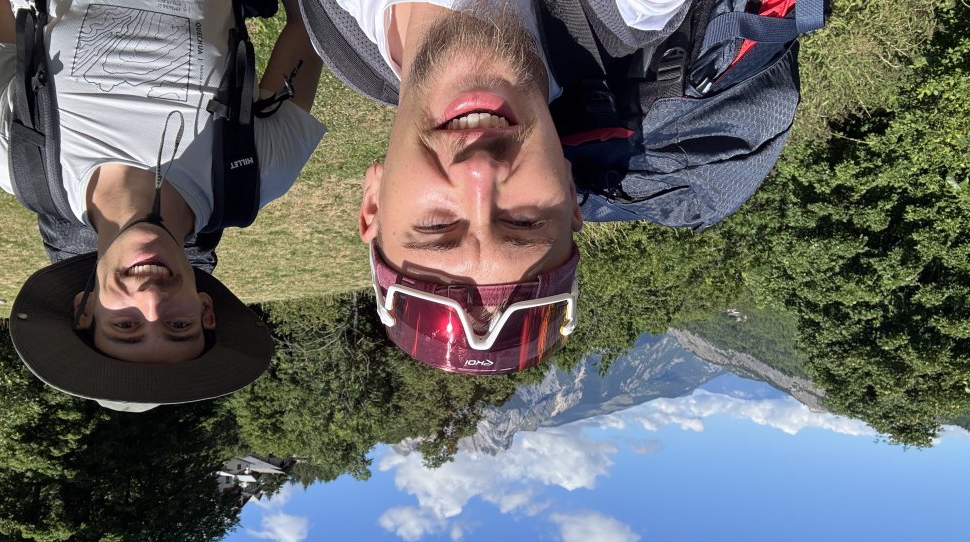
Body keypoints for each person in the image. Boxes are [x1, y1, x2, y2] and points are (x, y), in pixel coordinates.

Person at [0, 0, 325, 408]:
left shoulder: (13, 155)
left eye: (125, 325)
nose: (152, 299)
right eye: (179, 325)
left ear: (85, 308)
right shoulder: (257, 172)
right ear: (205, 310)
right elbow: (307, 24)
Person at [293, 0, 691, 373]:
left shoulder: (339, 40)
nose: (479, 171)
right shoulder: (631, 10)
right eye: (524, 220)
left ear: (373, 203)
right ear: (571, 196)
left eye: (436, 225)